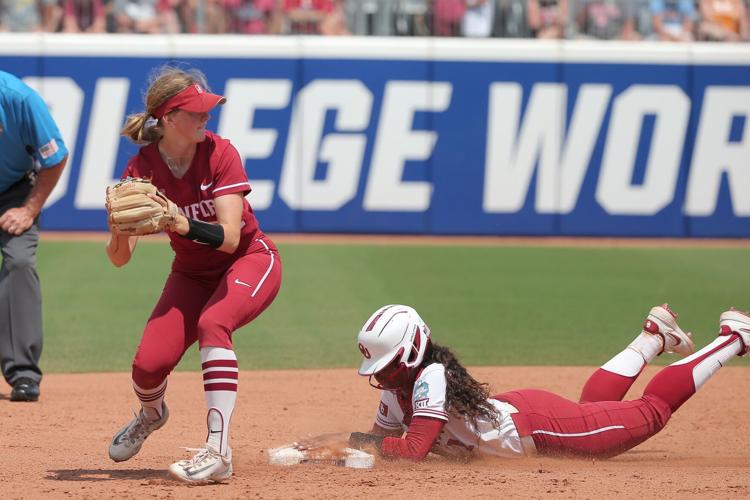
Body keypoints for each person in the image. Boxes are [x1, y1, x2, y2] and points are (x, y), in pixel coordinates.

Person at [105, 66, 282, 484]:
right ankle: (151, 415)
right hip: (191, 273)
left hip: (249, 260)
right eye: (196, 112)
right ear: (168, 119)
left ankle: (218, 451)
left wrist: (177, 221)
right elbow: (119, 259)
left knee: (213, 323)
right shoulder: (141, 169)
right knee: (148, 367)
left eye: (207, 110)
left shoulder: (220, 153)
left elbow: (229, 236)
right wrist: (117, 227)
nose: (207, 118)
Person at [299, 303, 750, 461]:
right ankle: (653, 338)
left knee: (651, 413)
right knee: (590, 410)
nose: (378, 374)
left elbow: (412, 450)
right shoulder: (400, 391)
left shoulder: (430, 377)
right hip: (523, 416)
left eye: (386, 364)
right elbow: (381, 441)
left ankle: (732, 339)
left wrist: (352, 441)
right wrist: (336, 446)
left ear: (411, 352)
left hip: (539, 426)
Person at [0, 71, 68, 403]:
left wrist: (29, 209)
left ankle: (23, 374)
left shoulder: (19, 98)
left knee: (20, 261)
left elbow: (54, 157)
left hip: (14, 192)